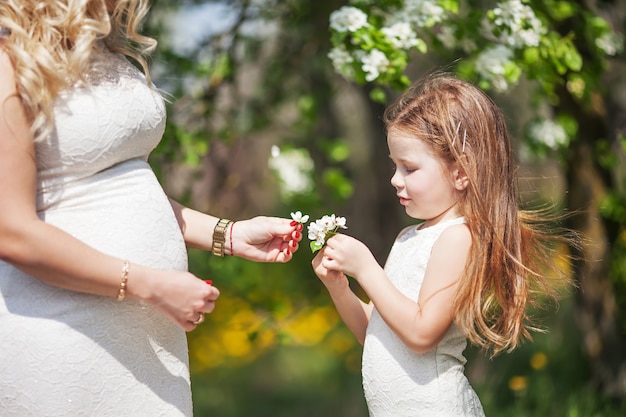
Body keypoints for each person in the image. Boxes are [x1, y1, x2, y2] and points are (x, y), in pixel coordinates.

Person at [0, 1, 302, 416]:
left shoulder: (106, 47)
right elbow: (11, 232)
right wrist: (149, 283)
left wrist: (226, 234)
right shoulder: (9, 63)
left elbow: (123, 186)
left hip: (147, 335)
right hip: (66, 329)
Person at [312, 73, 571, 416]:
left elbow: (420, 334)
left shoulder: (457, 238)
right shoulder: (407, 238)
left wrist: (365, 268)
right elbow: (375, 332)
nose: (395, 179)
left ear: (461, 172)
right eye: (394, 166)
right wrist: (340, 287)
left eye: (409, 168)